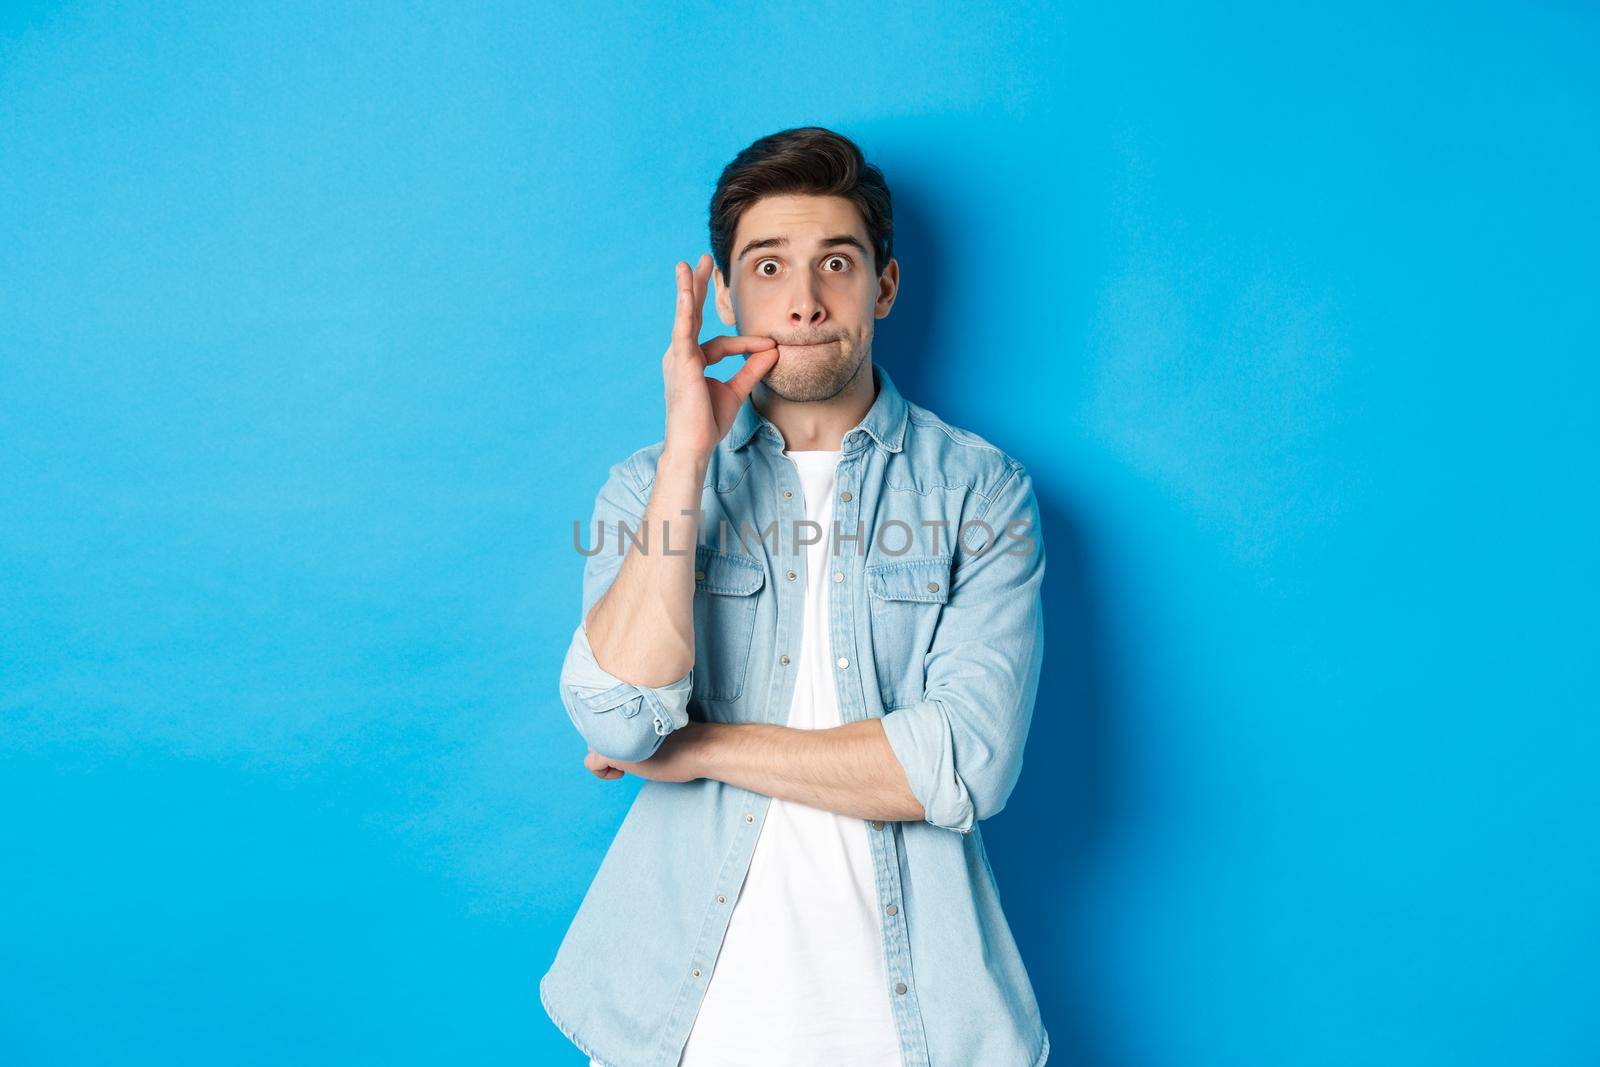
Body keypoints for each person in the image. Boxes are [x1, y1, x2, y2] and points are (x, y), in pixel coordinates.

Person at [540, 126, 1050, 1067]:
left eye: (837, 265)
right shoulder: (645, 486)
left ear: (883, 287)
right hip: (681, 1021)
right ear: (727, 294)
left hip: (914, 1030)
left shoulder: (983, 491)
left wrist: (692, 746)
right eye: (770, 267)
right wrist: (690, 452)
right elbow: (616, 720)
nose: (805, 303)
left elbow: (966, 764)